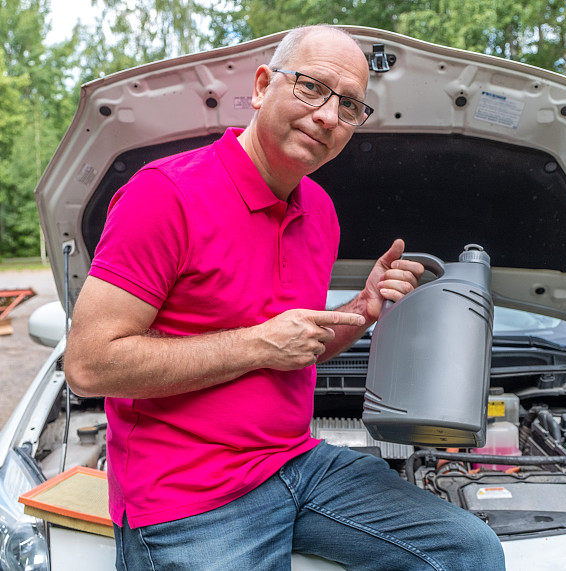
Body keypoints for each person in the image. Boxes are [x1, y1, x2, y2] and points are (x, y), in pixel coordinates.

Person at [65, 25, 505, 570]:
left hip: (295, 464)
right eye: (312, 88)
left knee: (467, 551)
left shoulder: (319, 210)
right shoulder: (165, 195)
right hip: (190, 497)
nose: (327, 116)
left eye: (349, 106)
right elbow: (88, 365)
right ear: (261, 86)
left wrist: (361, 311)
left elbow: (297, 346)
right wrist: (257, 345)